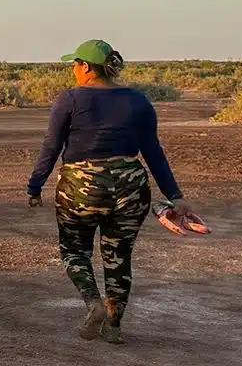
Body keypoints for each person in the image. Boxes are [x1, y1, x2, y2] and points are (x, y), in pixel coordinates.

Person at [28, 39, 197, 343]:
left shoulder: (70, 99)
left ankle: (93, 303)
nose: (74, 71)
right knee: (118, 255)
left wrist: (35, 185)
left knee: (75, 249)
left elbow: (51, 147)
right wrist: (175, 196)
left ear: (86, 68)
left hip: (81, 186)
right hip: (130, 185)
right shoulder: (139, 101)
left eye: (75, 65)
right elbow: (153, 153)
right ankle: (115, 326)